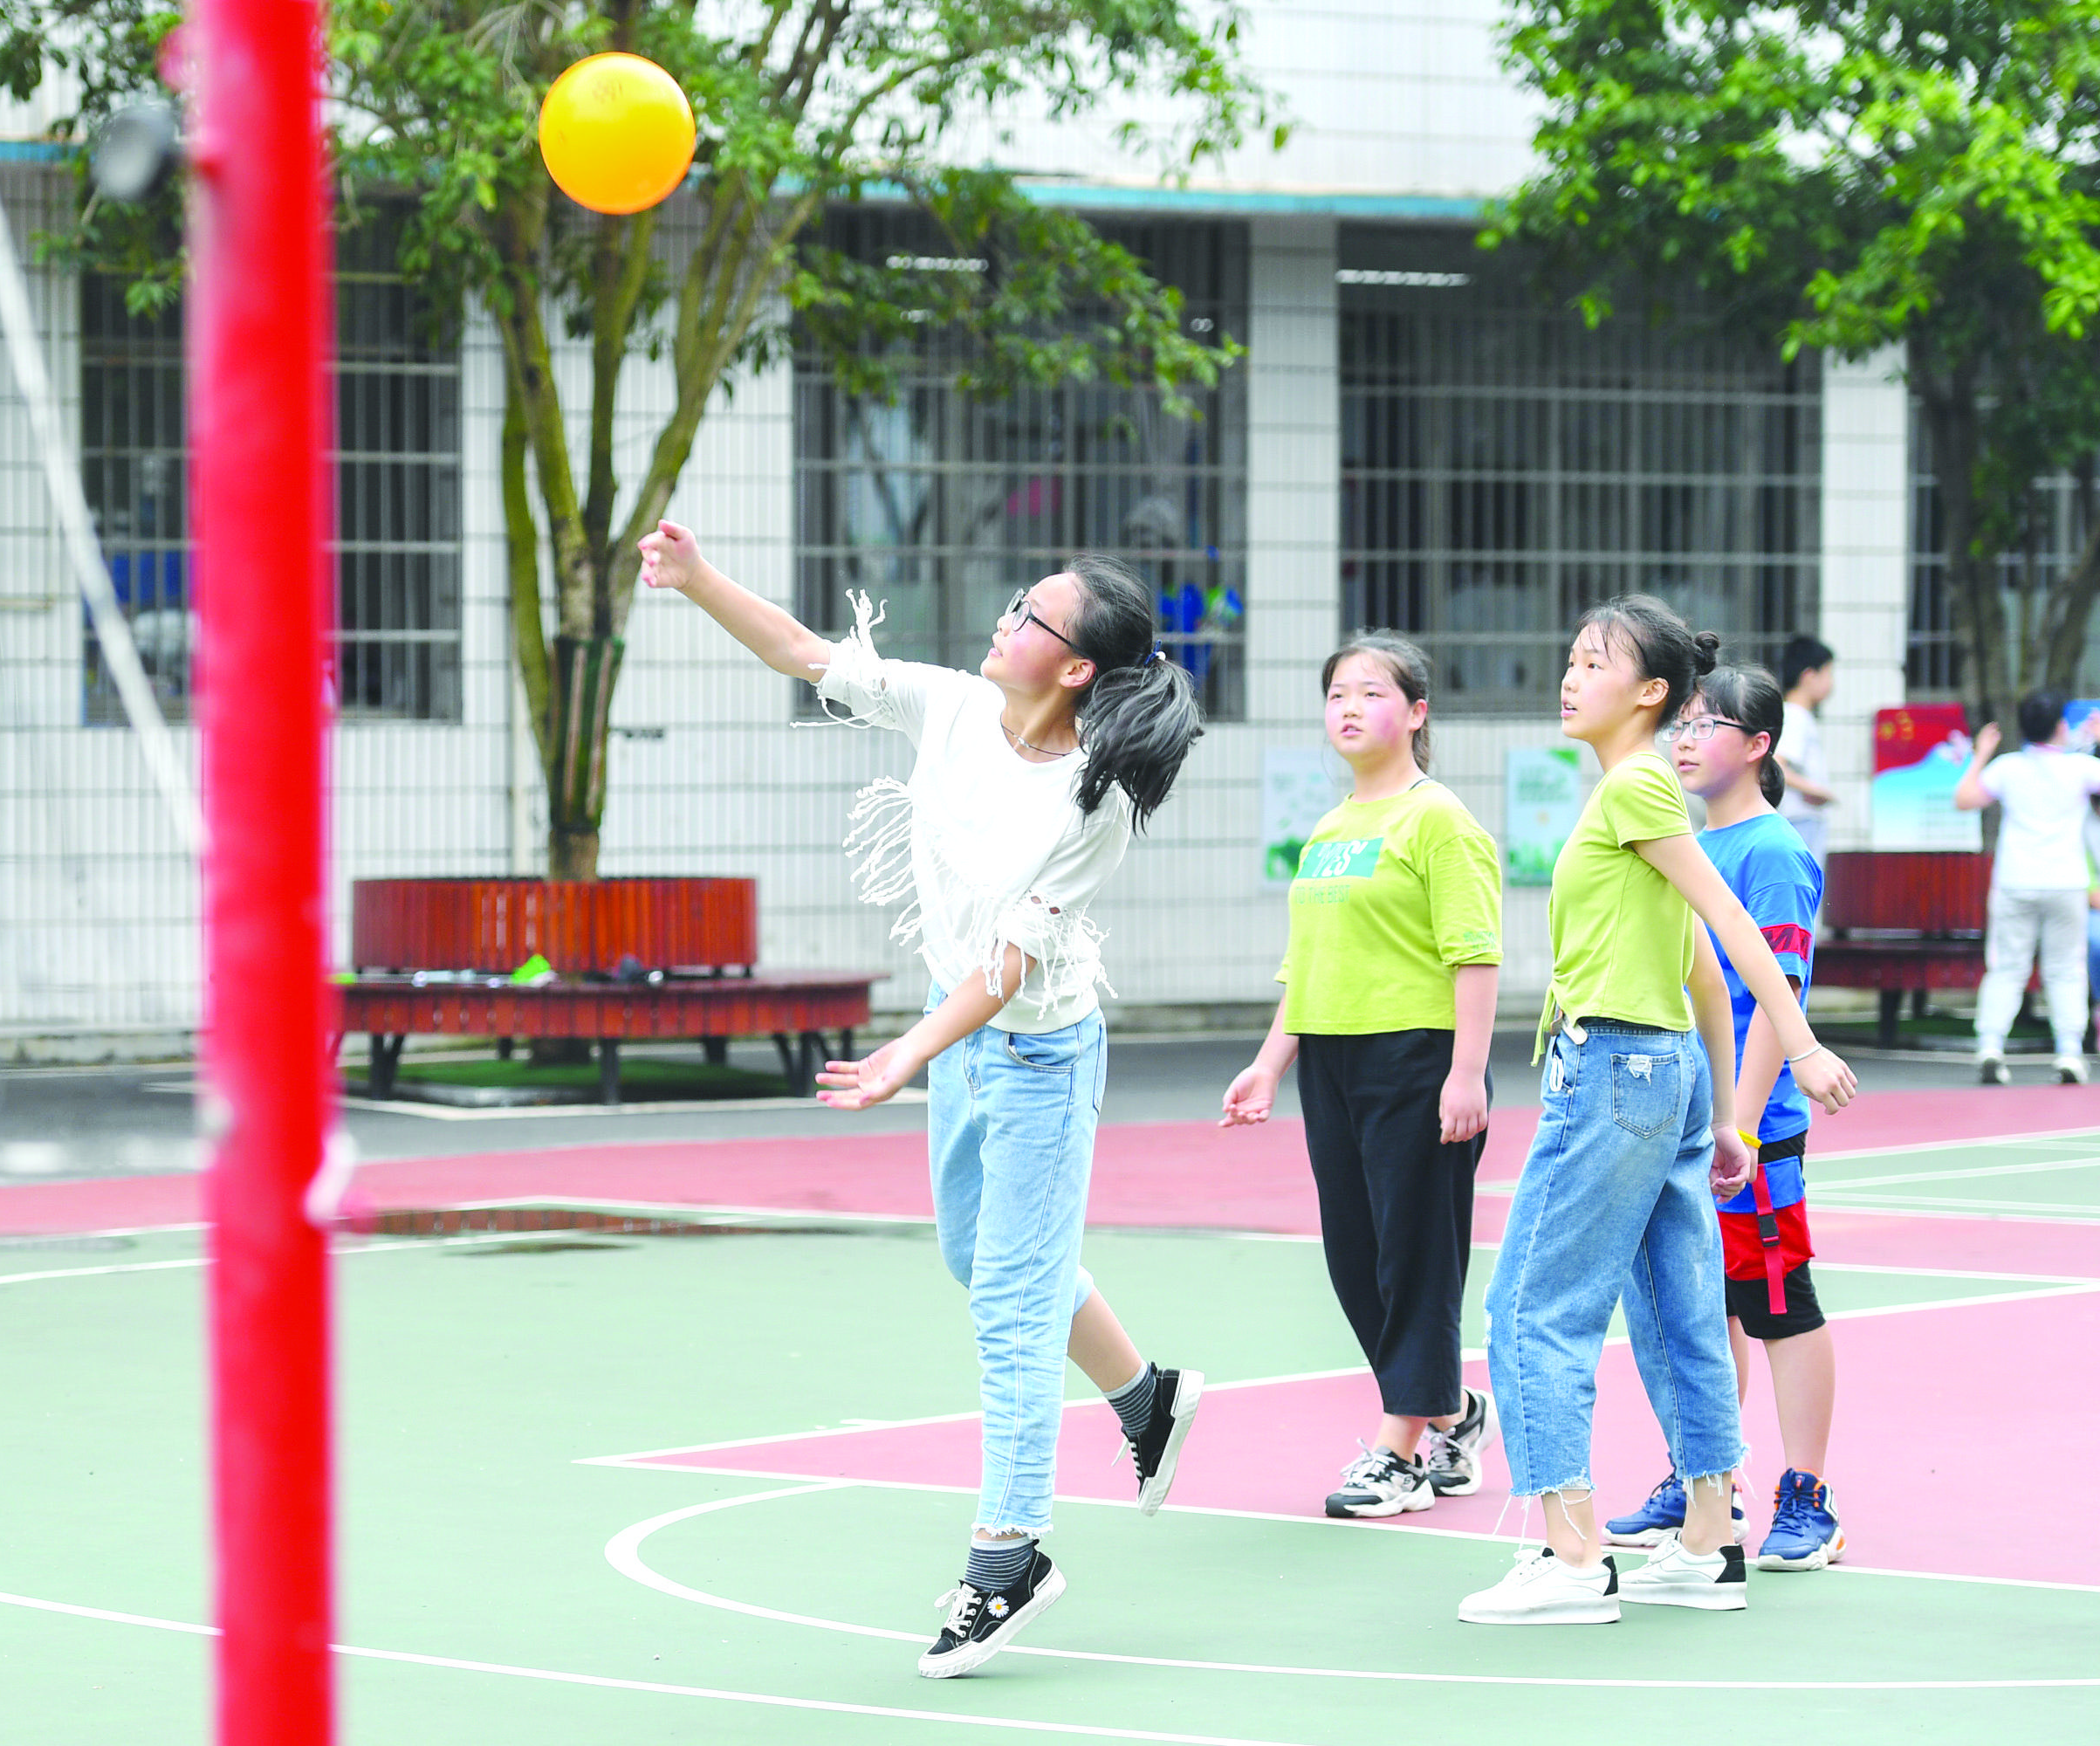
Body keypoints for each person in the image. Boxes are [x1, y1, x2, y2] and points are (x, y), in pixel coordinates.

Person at [638, 519, 1205, 1680]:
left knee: (1009, 1299)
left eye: (1030, 616)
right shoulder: (948, 705)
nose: (1005, 621)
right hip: (965, 1043)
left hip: (1040, 1052)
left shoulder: (1091, 805)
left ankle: (1010, 1557)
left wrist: (903, 1052)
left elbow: (1007, 967)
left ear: (1078, 666)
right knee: (982, 1258)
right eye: (1015, 603)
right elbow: (806, 654)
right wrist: (696, 581)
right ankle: (1146, 1400)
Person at [1456, 596, 1858, 1627]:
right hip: (1667, 1072)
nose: (1570, 674)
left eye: (1594, 661)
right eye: (1572, 655)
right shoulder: (1646, 795)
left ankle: (1571, 1551)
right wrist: (1723, 1114)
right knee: (1678, 1311)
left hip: (1612, 1071)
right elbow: (1697, 974)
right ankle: (1707, 1538)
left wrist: (1800, 1045)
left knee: (1529, 1307)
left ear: (1649, 694)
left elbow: (1727, 925)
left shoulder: (1635, 786)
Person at [1220, 633, 1501, 1518]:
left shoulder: (1440, 819)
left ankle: (1400, 1450)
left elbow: (1477, 954)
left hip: (1416, 1056)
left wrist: (1468, 1072)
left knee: (1416, 1252)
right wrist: (1270, 1062)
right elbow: (1304, 968)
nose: (1348, 706)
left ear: (1416, 712)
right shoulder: (1332, 829)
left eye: (1371, 691)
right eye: (1336, 691)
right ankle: (1453, 1410)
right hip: (1332, 1061)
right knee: (1356, 1256)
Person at [1604, 663, 1845, 1571]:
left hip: (1751, 1127)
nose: (1687, 737)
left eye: (1712, 724)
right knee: (1704, 1310)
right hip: (1689, 1118)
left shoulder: (1774, 853)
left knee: (1776, 1304)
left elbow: (1779, 998)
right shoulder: (1688, 842)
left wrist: (1737, 1125)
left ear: (1759, 745)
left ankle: (1809, 1494)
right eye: (1684, 723)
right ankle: (1706, 1478)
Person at [1956, 689, 2100, 1084]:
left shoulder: (2008, 767)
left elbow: (1965, 799)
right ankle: (2069, 1052)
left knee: (2006, 966)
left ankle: (1990, 1045)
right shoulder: (2080, 768)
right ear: (2059, 726)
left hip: (2015, 880)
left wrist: (1982, 753)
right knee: (2066, 968)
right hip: (2066, 881)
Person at [1775, 636, 1836, 873]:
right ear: (1809, 676)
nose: (1831, 683)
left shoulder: (1792, 714)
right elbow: (1778, 766)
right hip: (1800, 818)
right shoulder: (1795, 715)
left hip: (1801, 819)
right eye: (1828, 673)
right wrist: (1817, 792)